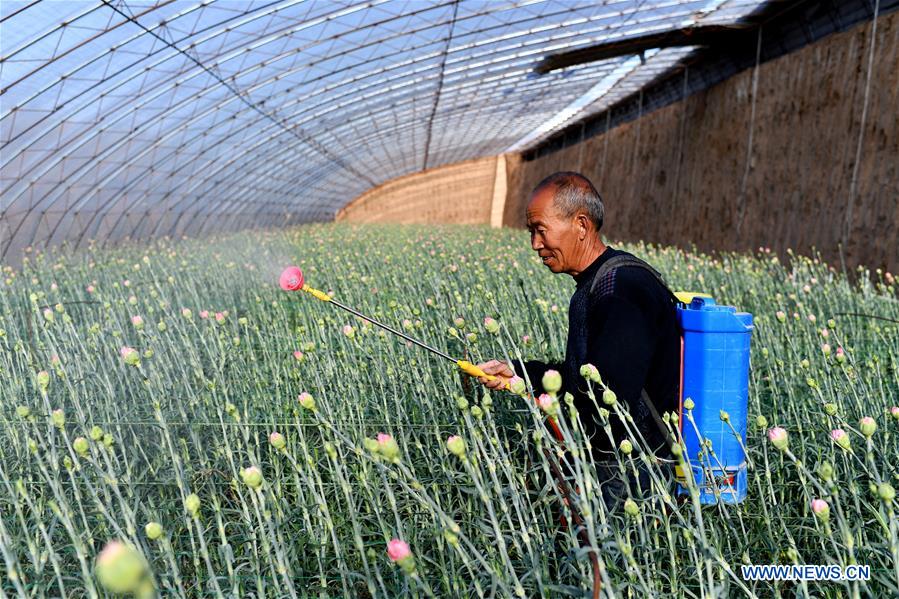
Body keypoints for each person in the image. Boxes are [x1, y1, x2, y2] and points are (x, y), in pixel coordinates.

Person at [476, 171, 680, 508]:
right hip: (618, 468)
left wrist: (568, 451)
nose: (535, 244)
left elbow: (609, 399)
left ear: (581, 225)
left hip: (634, 478)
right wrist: (519, 374)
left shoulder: (621, 290)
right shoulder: (602, 280)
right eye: (531, 232)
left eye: (541, 230)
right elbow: (588, 378)